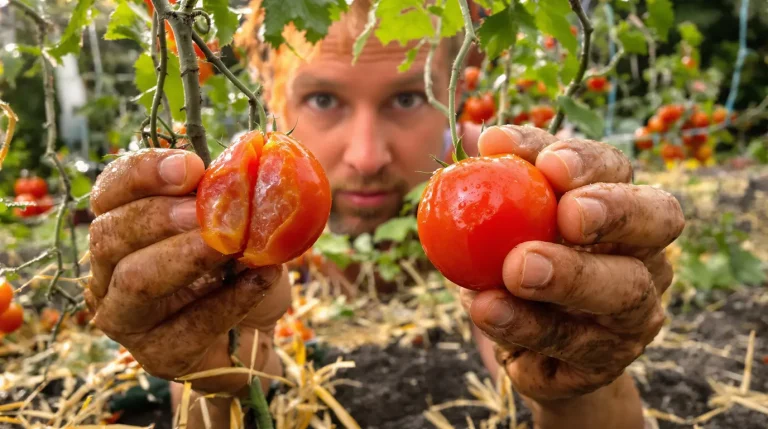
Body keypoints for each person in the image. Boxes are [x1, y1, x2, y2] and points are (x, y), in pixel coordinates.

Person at [85, 1, 685, 428]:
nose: (367, 156)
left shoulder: (526, 203)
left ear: (458, 88)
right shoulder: (215, 232)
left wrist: (580, 376)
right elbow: (242, 389)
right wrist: (218, 380)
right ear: (268, 93)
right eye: (323, 99)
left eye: (406, 98)